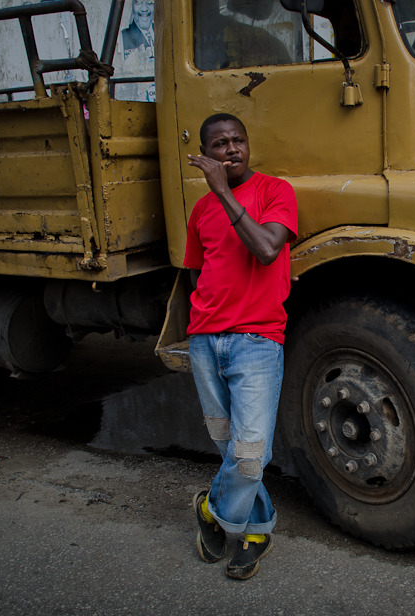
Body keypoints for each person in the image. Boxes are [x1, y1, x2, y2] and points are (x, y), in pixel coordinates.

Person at [183, 113, 298, 580]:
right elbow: (197, 271)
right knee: (230, 446)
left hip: (257, 341)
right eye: (219, 144)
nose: (231, 150)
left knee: (250, 456)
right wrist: (200, 327)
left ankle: (211, 509)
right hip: (205, 341)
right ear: (205, 153)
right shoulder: (199, 212)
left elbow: (267, 249)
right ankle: (256, 531)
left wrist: (224, 193)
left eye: (238, 141)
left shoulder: (275, 191)